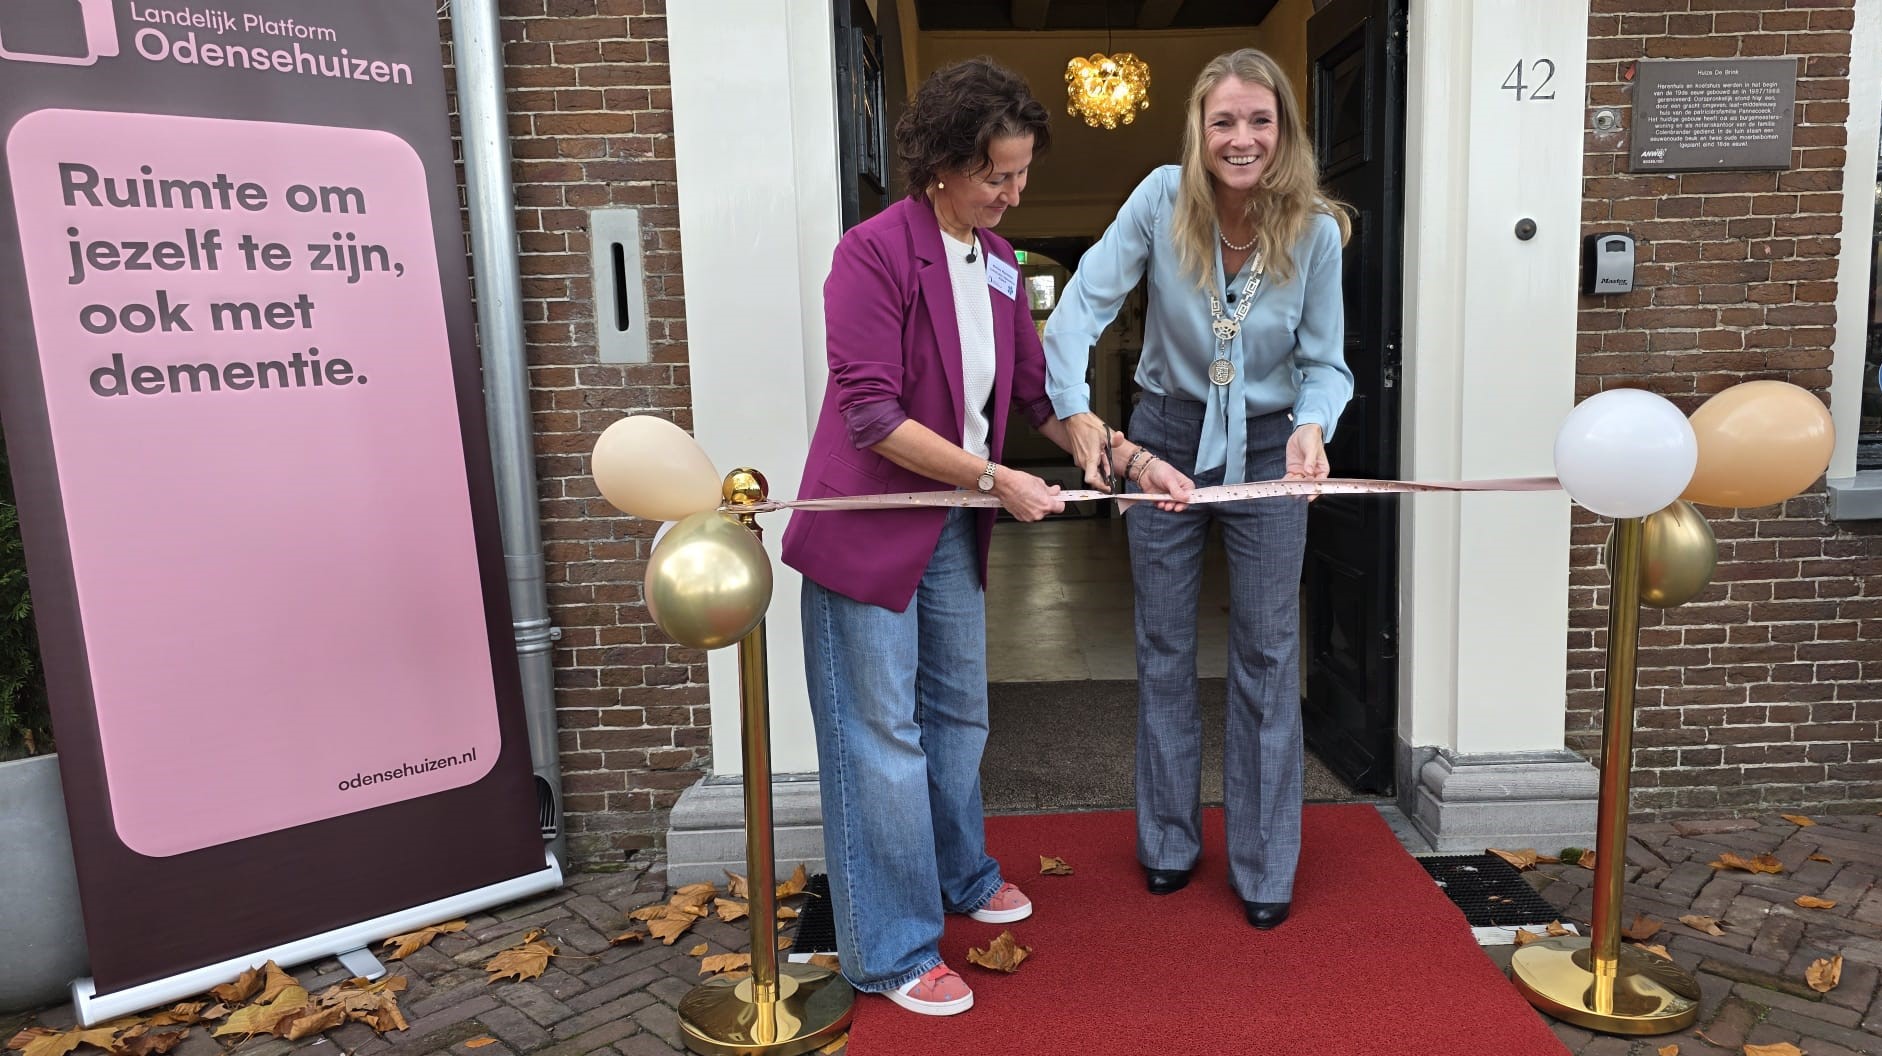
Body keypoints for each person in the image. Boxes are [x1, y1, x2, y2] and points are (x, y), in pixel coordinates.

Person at [782, 58, 1193, 1016]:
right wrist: (993, 477)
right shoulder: (873, 253)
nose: (1013, 194)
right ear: (940, 165)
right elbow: (871, 418)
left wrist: (1105, 443)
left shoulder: (1004, 265)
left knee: (959, 719)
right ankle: (887, 949)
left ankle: (961, 877)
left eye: (1022, 174)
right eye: (995, 175)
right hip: (872, 535)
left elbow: (1034, 397)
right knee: (879, 740)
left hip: (951, 535)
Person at [1042, 48, 1352, 931]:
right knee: (1165, 645)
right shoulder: (1157, 199)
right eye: (1224, 121)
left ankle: (1263, 863)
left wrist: (1310, 425)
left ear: (1283, 129)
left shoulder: (1316, 232)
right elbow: (1079, 311)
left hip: (1268, 445)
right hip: (1166, 431)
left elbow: (1326, 364)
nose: (1242, 138)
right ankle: (1169, 843)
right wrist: (1078, 418)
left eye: (1260, 121)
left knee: (1266, 651)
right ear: (1199, 129)